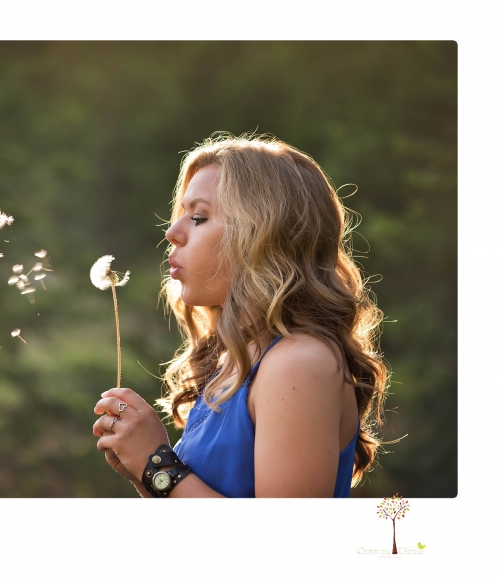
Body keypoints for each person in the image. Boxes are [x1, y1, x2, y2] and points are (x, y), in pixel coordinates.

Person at [93, 133, 389, 497]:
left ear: (265, 236)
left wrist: (158, 465)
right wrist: (146, 473)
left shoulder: (297, 363)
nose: (172, 233)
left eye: (199, 217)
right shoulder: (234, 362)